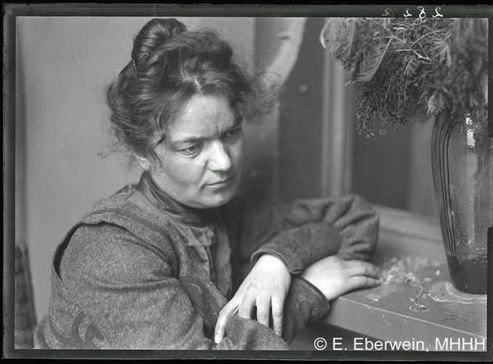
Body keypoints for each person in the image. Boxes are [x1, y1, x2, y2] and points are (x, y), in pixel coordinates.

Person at [34, 18, 381, 350]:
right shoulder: (109, 250)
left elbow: (350, 218)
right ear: (143, 152)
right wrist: (308, 292)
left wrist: (276, 262)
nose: (224, 162)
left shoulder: (220, 211)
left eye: (230, 133)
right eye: (192, 147)